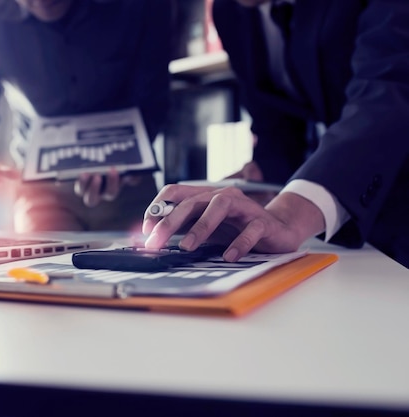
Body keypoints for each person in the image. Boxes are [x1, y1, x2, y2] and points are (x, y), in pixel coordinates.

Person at [143, 0, 409, 268]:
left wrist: (289, 214)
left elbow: (389, 93)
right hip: (356, 236)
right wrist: (258, 184)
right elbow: (276, 124)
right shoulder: (230, 11)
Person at [0, 0, 171, 233]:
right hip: (40, 190)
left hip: (128, 187)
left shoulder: (142, 5)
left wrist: (128, 164)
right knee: (46, 271)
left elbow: (152, 102)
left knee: (140, 267)